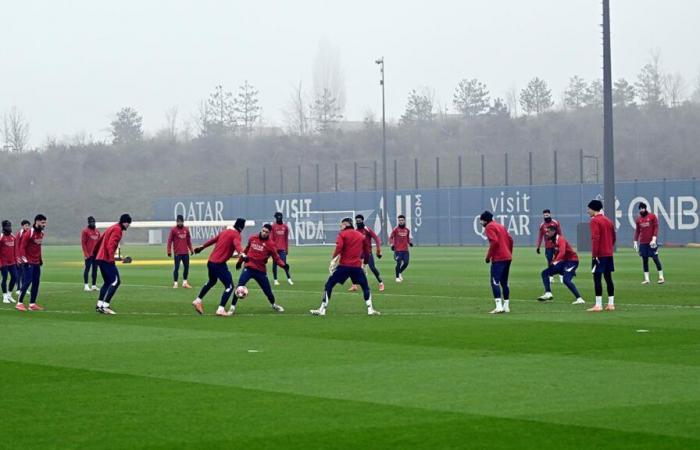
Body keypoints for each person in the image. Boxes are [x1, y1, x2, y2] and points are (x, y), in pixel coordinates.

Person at [310, 217, 380, 316]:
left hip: (344, 266)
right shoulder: (360, 235)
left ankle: (322, 309)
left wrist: (333, 260)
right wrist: (365, 263)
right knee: (365, 287)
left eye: (341, 225)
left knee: (329, 284)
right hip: (356, 267)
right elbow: (367, 251)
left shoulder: (342, 234)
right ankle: (370, 309)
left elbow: (339, 247)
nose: (340, 226)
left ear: (346, 224)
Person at [192, 218, 247, 317]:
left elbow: (213, 240)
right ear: (242, 228)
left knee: (212, 281)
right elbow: (237, 245)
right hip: (219, 264)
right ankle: (221, 309)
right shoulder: (236, 235)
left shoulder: (224, 232)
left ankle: (197, 300)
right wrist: (241, 253)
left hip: (211, 262)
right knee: (229, 286)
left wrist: (202, 247)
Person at [232, 224, 289, 315]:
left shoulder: (271, 244)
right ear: (261, 230)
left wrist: (283, 265)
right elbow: (246, 251)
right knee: (239, 286)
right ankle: (232, 307)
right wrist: (240, 261)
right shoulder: (252, 238)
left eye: (266, 232)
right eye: (263, 230)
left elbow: (276, 258)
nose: (264, 233)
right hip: (249, 268)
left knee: (268, 291)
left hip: (260, 271)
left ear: (269, 233)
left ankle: (273, 304)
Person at [537, 225, 585, 305]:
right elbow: (557, 253)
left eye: (548, 232)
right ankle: (548, 293)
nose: (546, 233)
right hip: (563, 262)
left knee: (566, 280)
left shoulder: (560, 239)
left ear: (553, 232)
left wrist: (555, 262)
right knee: (545, 273)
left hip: (572, 261)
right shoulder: (553, 240)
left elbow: (562, 252)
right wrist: (553, 262)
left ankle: (579, 299)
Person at [94, 214, 132, 314]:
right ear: (125, 222)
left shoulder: (112, 227)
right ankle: (106, 305)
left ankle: (99, 305)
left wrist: (95, 254)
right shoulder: (118, 230)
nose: (129, 226)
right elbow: (111, 245)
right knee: (116, 281)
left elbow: (100, 240)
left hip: (100, 258)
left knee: (107, 282)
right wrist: (112, 259)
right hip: (107, 259)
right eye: (129, 223)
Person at [479, 211, 513, 314]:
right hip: (507, 257)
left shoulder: (489, 227)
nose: (480, 222)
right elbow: (511, 240)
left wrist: (488, 256)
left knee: (495, 282)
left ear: (485, 220)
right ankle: (506, 306)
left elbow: (494, 241)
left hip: (499, 258)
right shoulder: (500, 226)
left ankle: (498, 307)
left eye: (481, 220)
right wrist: (509, 253)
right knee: (504, 283)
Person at [587, 200, 616, 312]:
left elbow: (595, 238)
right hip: (609, 253)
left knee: (597, 278)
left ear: (594, 209)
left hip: (599, 254)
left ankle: (598, 305)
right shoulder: (608, 220)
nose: (588, 211)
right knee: (608, 278)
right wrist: (609, 247)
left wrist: (595, 255)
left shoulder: (594, 221)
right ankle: (611, 304)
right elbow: (613, 237)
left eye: (589, 209)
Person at [16, 214, 47, 311]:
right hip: (28, 262)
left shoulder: (41, 233)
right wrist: (24, 260)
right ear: (37, 222)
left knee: (36, 282)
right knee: (27, 282)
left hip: (36, 262)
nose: (44, 224)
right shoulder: (29, 232)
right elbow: (22, 247)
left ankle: (32, 304)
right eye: (42, 222)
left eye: (45, 222)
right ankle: (19, 303)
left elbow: (38, 247)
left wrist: (40, 259)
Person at [349, 214, 384, 292]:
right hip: (359, 254)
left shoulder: (367, 229)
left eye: (360, 221)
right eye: (357, 221)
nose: (358, 222)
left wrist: (378, 249)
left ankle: (381, 283)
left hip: (368, 253)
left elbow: (377, 238)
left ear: (362, 221)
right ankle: (354, 285)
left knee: (373, 268)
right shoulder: (355, 231)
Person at [633, 202, 665, 285]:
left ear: (645, 208)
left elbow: (656, 227)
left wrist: (654, 238)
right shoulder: (638, 219)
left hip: (652, 242)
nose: (641, 210)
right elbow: (637, 231)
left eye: (642, 208)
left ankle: (661, 277)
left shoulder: (652, 216)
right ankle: (647, 279)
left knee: (655, 259)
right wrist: (635, 241)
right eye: (640, 209)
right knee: (644, 260)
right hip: (643, 243)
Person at [536, 209, 563, 283]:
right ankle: (551, 276)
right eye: (544, 215)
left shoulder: (555, 223)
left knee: (559, 260)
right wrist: (538, 246)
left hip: (556, 246)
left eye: (547, 215)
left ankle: (561, 275)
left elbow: (560, 234)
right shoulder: (542, 225)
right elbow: (540, 236)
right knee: (549, 261)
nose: (546, 216)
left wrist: (561, 244)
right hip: (548, 247)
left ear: (550, 215)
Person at [167, 214, 194, 288]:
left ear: (183, 221)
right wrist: (169, 251)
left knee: (186, 268)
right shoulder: (173, 230)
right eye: (178, 222)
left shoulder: (186, 230)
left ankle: (185, 283)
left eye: (180, 221)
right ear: (176, 222)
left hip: (185, 253)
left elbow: (188, 241)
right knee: (176, 268)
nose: (179, 223)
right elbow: (169, 241)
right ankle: (175, 283)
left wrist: (191, 249)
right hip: (177, 253)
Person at [271, 212, 293, 285]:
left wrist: (287, 249)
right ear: (276, 217)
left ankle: (289, 279)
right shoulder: (273, 226)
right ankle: (275, 280)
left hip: (282, 249)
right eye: (278, 216)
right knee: (275, 265)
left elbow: (286, 239)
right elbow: (271, 239)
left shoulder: (285, 227)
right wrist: (272, 249)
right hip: (275, 250)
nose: (279, 218)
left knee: (284, 264)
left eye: (280, 216)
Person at [389, 215, 413, 282]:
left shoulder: (407, 230)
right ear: (398, 221)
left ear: (404, 220)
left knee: (406, 263)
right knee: (398, 263)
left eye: (402, 220)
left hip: (405, 250)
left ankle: (399, 272)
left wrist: (409, 243)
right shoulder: (395, 230)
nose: (401, 221)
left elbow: (407, 238)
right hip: (398, 250)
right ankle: (397, 277)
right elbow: (391, 237)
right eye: (399, 220)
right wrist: (392, 245)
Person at [81, 216, 101, 292]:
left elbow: (99, 243)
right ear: (88, 223)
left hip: (96, 254)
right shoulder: (85, 231)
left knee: (95, 270)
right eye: (91, 222)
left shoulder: (97, 231)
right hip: (89, 254)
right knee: (87, 269)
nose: (92, 223)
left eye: (93, 222)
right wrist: (86, 254)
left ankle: (93, 285)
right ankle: (86, 285)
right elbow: (83, 243)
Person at [1, 220, 19, 304]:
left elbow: (15, 250)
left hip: (12, 262)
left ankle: (9, 294)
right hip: (3, 262)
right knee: (4, 278)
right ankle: (4, 296)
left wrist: (16, 260)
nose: (9, 228)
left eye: (10, 226)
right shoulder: (1, 237)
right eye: (7, 226)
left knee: (15, 277)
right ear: (3, 227)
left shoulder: (13, 237)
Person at [14, 219, 30, 296]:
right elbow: (16, 246)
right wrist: (17, 257)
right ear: (22, 226)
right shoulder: (19, 234)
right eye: (26, 225)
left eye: (28, 225)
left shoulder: (29, 233)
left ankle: (24, 289)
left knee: (25, 274)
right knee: (19, 273)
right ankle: (18, 289)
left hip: (26, 257)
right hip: (20, 257)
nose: (27, 227)